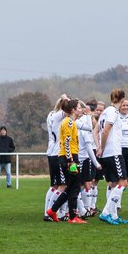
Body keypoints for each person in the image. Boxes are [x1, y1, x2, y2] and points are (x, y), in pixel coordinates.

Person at [45, 98, 87, 224]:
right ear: (73, 110)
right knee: (74, 186)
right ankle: (72, 216)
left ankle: (55, 211)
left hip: (69, 157)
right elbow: (67, 142)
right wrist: (70, 161)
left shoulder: (71, 122)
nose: (81, 110)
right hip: (69, 158)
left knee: (71, 187)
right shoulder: (68, 123)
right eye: (79, 108)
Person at [96, 90, 128, 225]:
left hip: (107, 154)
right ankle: (105, 213)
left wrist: (99, 147)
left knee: (113, 184)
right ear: (122, 99)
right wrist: (102, 147)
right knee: (123, 183)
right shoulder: (113, 112)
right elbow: (105, 131)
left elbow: (96, 131)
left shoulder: (105, 112)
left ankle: (114, 216)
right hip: (113, 152)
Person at [44, 93, 69, 221]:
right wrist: (66, 98)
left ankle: (49, 212)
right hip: (58, 153)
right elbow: (69, 108)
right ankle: (51, 212)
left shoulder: (50, 115)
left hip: (51, 152)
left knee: (54, 185)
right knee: (63, 185)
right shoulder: (60, 115)